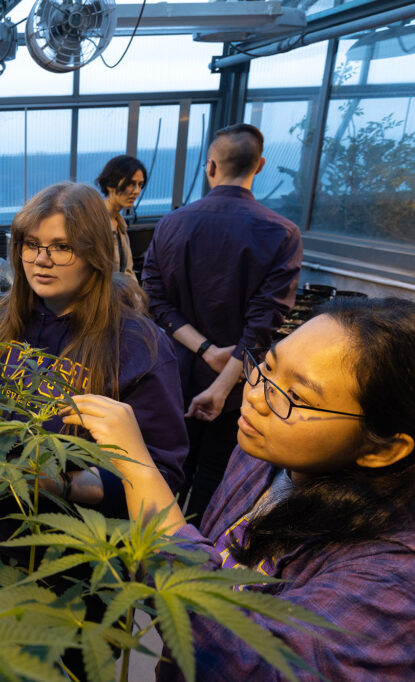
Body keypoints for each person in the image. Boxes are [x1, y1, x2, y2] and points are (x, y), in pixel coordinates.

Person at [65, 298, 415, 680]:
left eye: (296, 397)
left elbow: (249, 665)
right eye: (267, 365)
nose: (255, 395)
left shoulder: (406, 585)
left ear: (384, 448)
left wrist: (139, 470)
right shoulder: (268, 450)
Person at [0, 182, 188, 520]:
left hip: (81, 536)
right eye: (31, 244)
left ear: (96, 254)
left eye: (62, 247)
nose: (41, 260)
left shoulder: (140, 346)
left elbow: (162, 471)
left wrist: (60, 484)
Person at [141, 123, 302, 520]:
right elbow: (264, 323)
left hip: (173, 375)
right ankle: (197, 550)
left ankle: (147, 548)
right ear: (260, 165)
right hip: (235, 387)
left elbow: (154, 299)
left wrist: (203, 349)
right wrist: (221, 384)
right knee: (215, 476)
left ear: (210, 167)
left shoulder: (171, 223)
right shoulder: (282, 233)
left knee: (161, 470)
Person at [95, 154, 146, 282]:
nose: (137, 191)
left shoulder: (120, 225)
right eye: (131, 184)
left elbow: (128, 272)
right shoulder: (94, 222)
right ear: (110, 184)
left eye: (140, 185)